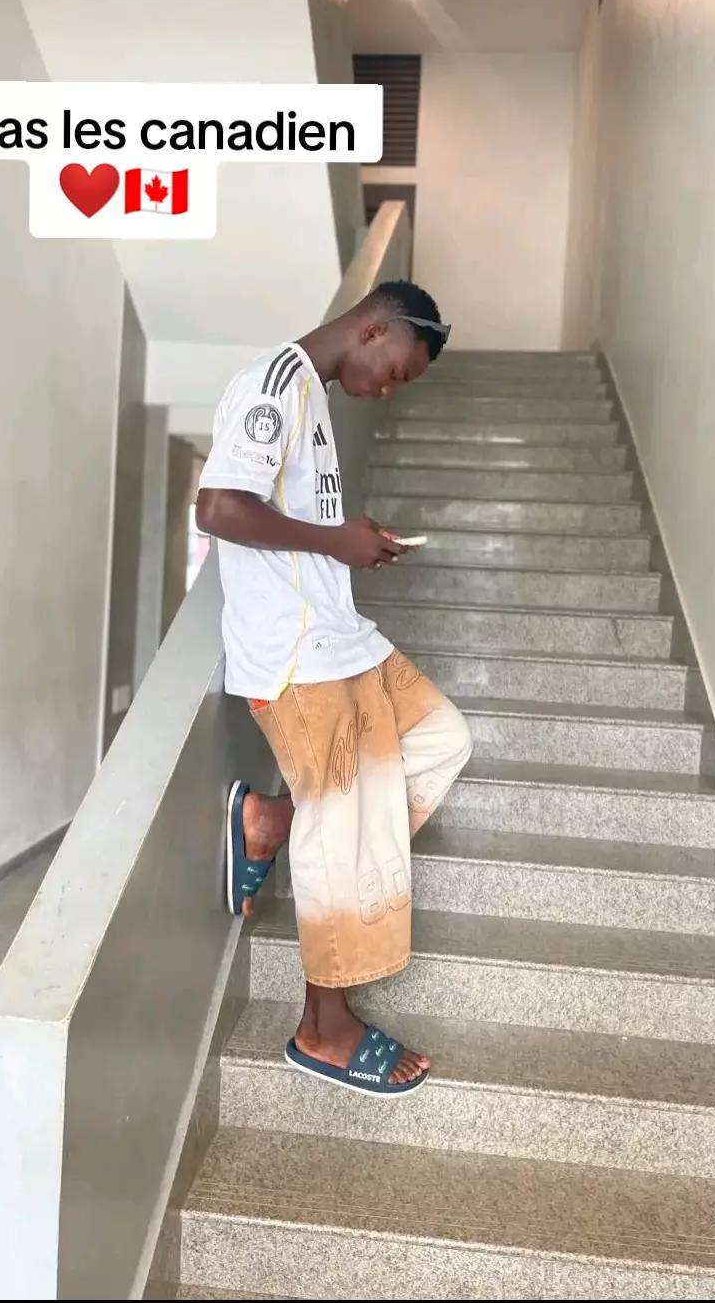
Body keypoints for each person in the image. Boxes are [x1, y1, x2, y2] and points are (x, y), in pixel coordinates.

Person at [196, 279, 472, 1097]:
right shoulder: (272, 384)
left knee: (440, 740)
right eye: (397, 372)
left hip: (340, 637)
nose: (387, 389)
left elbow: (296, 526)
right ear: (375, 328)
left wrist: (353, 541)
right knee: (348, 817)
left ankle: (275, 820)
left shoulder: (312, 396)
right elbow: (218, 508)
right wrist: (334, 541)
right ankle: (323, 1028)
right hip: (295, 657)